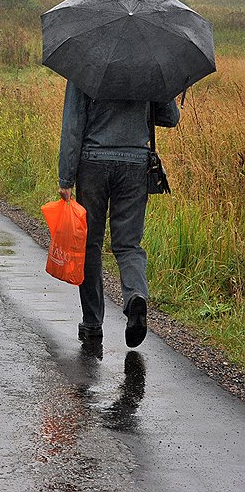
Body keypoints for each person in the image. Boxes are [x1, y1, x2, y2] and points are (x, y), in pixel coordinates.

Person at [57, 79, 180, 350]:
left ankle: (92, 324)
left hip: (93, 163)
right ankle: (135, 296)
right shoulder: (150, 65)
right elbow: (170, 118)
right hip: (136, 164)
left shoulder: (86, 64)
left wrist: (66, 176)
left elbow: (73, 123)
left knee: (90, 244)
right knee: (128, 244)